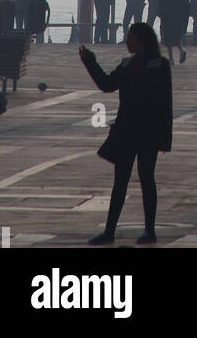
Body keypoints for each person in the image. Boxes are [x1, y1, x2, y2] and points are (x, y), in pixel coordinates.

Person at [79, 22, 172, 245]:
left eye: (130, 38)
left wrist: (164, 137)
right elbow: (107, 84)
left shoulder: (159, 65)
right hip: (128, 131)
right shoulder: (128, 64)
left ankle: (149, 230)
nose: (127, 41)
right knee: (121, 182)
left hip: (147, 131)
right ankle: (110, 231)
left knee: (146, 179)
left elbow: (165, 105)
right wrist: (90, 62)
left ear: (141, 41)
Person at [159, 0, 190, 65]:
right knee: (177, 36)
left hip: (169, 17)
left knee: (168, 39)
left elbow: (162, 1)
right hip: (180, 18)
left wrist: (161, 14)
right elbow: (187, 6)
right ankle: (181, 50)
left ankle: (171, 58)